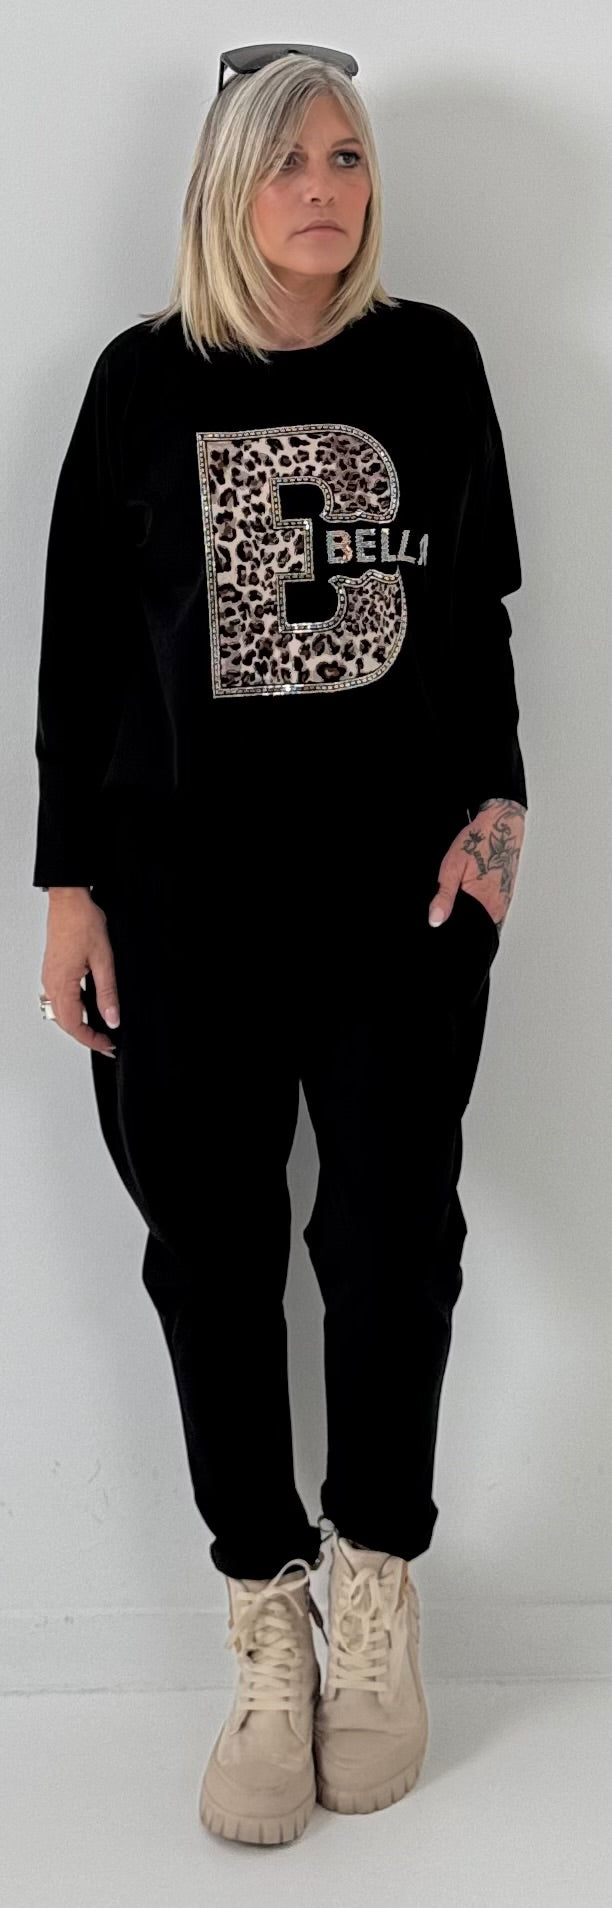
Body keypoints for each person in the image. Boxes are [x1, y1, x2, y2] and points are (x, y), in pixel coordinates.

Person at [33, 43, 528, 1847]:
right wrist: (68, 889)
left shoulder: (434, 363)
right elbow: (81, 654)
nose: (322, 188)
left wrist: (500, 818)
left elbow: (477, 618)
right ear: (224, 186)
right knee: (212, 1257)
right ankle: (265, 1611)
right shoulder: (140, 382)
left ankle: (376, 1581)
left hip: (397, 905)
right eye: (285, 159)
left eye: (346, 156)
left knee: (393, 1242)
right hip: (180, 908)